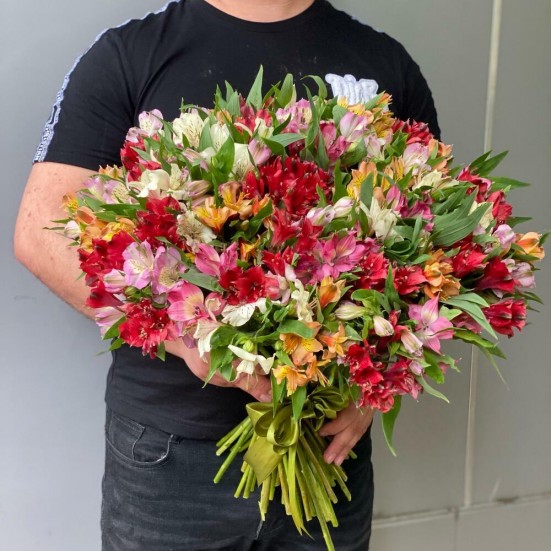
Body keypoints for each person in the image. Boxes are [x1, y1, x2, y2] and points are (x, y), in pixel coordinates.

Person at [14, 1, 441, 549]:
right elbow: (40, 232)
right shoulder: (132, 53)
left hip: (329, 449)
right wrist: (187, 337)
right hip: (171, 457)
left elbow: (429, 247)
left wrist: (373, 386)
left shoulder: (385, 63)